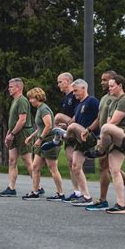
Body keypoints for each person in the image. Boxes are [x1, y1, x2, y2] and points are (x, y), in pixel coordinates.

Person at [83, 71, 125, 211]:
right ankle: (121, 204)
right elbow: (104, 120)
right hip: (117, 139)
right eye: (109, 86)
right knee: (114, 170)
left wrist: (101, 142)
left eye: (112, 86)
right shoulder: (112, 101)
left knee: (106, 127)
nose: (109, 88)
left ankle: (99, 150)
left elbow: (113, 122)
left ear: (120, 86)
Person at [44, 79, 99, 206]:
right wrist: (66, 126)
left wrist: (90, 129)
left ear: (84, 88)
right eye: (73, 91)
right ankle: (86, 196)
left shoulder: (92, 101)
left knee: (73, 126)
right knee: (75, 166)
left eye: (76, 90)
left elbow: (100, 116)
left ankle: (61, 137)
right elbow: (75, 120)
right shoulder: (79, 105)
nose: (74, 94)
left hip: (90, 135)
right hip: (80, 139)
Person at [22, 88, 64, 200]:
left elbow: (49, 125)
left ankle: (60, 193)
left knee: (52, 168)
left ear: (37, 97)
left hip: (49, 141)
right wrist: (31, 136)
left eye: (31, 98)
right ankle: (35, 192)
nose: (30, 101)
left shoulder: (44, 109)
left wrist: (40, 139)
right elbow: (41, 127)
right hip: (42, 141)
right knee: (35, 167)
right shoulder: (39, 109)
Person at [0, 78, 35, 197]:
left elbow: (22, 120)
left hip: (23, 133)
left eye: (11, 87)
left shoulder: (22, 100)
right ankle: (11, 188)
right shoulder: (14, 100)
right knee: (12, 161)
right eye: (9, 87)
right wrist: (9, 134)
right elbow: (13, 120)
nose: (9, 89)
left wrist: (12, 134)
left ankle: (37, 186)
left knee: (27, 161)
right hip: (14, 133)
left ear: (18, 88)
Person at [52, 72, 80, 201]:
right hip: (68, 131)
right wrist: (64, 126)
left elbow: (78, 113)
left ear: (68, 81)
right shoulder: (64, 99)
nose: (58, 85)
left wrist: (70, 123)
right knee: (70, 162)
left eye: (60, 82)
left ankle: (55, 137)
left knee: (57, 116)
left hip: (76, 129)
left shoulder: (74, 95)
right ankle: (76, 191)